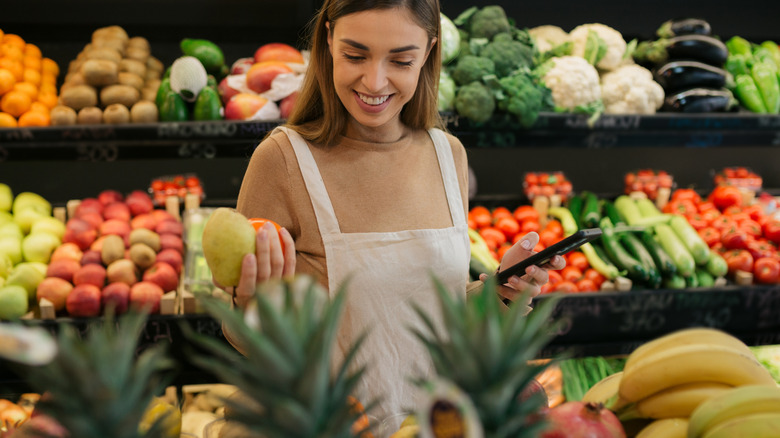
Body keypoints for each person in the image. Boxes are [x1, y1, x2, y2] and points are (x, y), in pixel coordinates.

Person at [227, 0, 566, 431]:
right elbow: (245, 340)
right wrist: (250, 304)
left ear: (428, 52)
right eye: (355, 55)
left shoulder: (448, 155)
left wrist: (504, 290)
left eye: (401, 59)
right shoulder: (282, 160)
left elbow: (439, 321)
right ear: (328, 40)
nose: (374, 80)